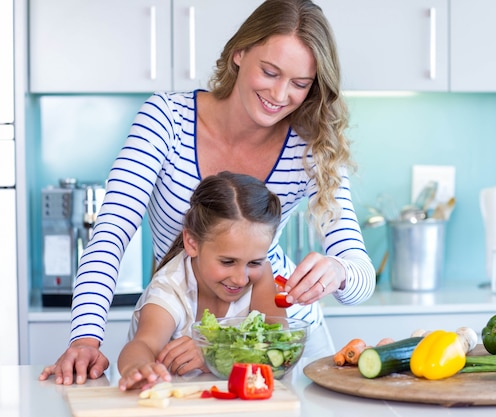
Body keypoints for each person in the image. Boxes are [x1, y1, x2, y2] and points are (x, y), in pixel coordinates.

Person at [40, 0, 376, 385]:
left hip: (281, 340)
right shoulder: (166, 120)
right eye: (269, 71)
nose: (281, 94)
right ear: (238, 52)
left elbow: (360, 275)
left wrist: (339, 271)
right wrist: (85, 338)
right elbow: (110, 236)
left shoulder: (311, 146)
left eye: (300, 84)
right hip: (185, 331)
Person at [117, 171, 284, 391]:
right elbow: (143, 344)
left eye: (254, 262)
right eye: (227, 262)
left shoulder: (261, 275)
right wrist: (138, 369)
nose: (241, 278)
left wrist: (215, 354)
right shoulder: (170, 287)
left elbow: (281, 345)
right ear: (192, 243)